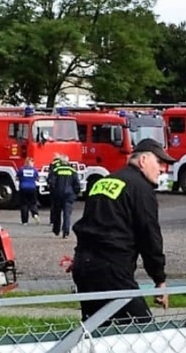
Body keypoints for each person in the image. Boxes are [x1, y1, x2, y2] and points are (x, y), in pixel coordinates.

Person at [71, 139, 174, 324]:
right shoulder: (140, 188)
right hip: (113, 271)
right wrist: (159, 279)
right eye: (159, 162)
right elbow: (149, 236)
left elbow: (90, 224)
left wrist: (82, 256)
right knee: (141, 329)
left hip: (84, 267)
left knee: (98, 328)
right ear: (143, 160)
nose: (162, 169)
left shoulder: (104, 182)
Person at [49, 154, 80, 237]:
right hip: (69, 195)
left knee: (57, 213)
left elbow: (51, 182)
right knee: (67, 214)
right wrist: (75, 194)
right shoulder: (72, 170)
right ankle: (66, 231)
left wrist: (53, 191)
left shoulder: (56, 170)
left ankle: (56, 230)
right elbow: (77, 184)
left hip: (58, 194)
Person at [17, 156, 41, 225]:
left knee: (24, 204)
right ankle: (35, 214)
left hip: (23, 188)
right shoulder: (34, 170)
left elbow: (17, 177)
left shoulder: (21, 169)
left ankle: (25, 221)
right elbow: (37, 178)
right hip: (32, 188)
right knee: (33, 203)